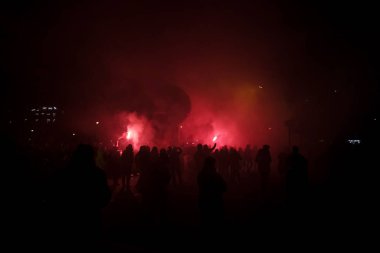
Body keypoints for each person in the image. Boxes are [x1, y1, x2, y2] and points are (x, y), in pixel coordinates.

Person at [197, 156, 227, 225]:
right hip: (214, 201)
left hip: (203, 200)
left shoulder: (201, 174)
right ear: (212, 164)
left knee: (205, 220)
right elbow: (224, 187)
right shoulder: (215, 175)